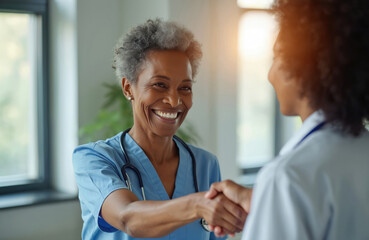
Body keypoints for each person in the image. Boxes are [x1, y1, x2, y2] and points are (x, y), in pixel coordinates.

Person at [206, 0, 369, 239]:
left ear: (303, 68)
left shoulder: (288, 178)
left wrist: (272, 203)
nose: (270, 75)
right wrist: (264, 205)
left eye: (276, 57)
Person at [72, 19, 247, 240]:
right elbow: (128, 218)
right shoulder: (94, 160)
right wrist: (197, 204)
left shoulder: (205, 165)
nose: (174, 101)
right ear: (128, 88)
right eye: (159, 85)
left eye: (185, 88)